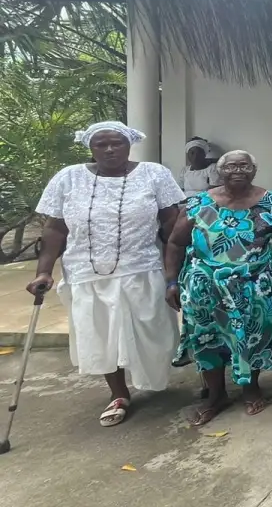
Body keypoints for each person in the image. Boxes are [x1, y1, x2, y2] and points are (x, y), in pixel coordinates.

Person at [30, 121, 185, 427]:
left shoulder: (154, 173)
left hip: (142, 268)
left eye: (117, 143)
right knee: (101, 336)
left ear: (129, 144)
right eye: (101, 144)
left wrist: (176, 271)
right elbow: (55, 228)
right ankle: (118, 393)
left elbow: (172, 225)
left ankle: (152, 379)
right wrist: (43, 271)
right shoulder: (68, 177)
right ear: (90, 147)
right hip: (87, 272)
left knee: (155, 333)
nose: (110, 149)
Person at [166, 150, 272, 424]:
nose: (238, 170)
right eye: (231, 166)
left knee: (253, 335)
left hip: (253, 286)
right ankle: (216, 395)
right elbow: (176, 242)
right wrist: (172, 281)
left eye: (244, 166)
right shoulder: (198, 202)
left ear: (254, 170)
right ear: (220, 171)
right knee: (207, 339)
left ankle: (251, 388)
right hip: (204, 288)